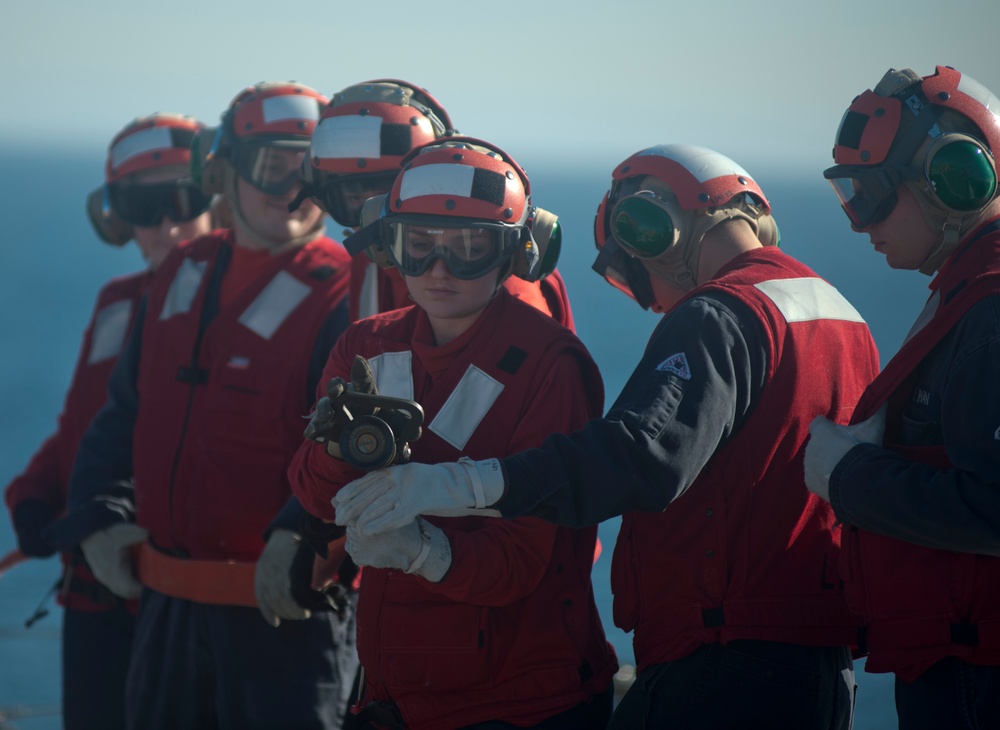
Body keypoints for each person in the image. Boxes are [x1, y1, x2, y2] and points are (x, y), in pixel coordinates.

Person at [331, 144, 883, 729]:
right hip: (818, 664)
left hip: (724, 661)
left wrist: (455, 484)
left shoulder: (716, 314)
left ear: (650, 231)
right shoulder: (840, 316)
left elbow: (640, 456)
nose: (649, 302)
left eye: (632, 271)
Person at [47, 82, 359, 730]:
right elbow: (122, 414)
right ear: (227, 168)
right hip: (165, 620)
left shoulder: (349, 298)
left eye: (310, 171)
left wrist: (306, 538)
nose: (292, 189)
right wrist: (100, 517)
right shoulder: (184, 271)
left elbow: (358, 458)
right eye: (274, 166)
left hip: (286, 631)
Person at [289, 136, 618, 730]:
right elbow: (314, 494)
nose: (439, 270)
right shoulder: (365, 344)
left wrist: (424, 552)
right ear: (390, 244)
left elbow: (526, 560)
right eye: (418, 246)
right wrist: (341, 448)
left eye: (469, 249)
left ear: (519, 253)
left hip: (521, 705)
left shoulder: (550, 364)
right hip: (398, 698)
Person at [803, 65, 1000, 729]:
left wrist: (851, 477)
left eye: (875, 197)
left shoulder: (991, 313)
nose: (862, 224)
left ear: (954, 178)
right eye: (850, 198)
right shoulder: (967, 295)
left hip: (979, 679)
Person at [3, 111, 214, 730]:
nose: (169, 222)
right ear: (116, 217)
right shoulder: (118, 302)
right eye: (145, 206)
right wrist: (35, 493)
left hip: (176, 598)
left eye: (185, 198)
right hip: (91, 595)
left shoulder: (241, 308)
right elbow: (82, 423)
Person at [300, 78, 576, 329]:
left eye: (390, 190)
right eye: (353, 194)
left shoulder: (492, 277)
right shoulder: (373, 255)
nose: (372, 214)